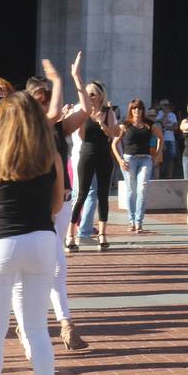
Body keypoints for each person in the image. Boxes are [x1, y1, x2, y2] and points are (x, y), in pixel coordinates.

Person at [0, 91, 64, 375]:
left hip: (0, 241)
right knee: (37, 329)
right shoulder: (51, 157)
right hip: (42, 240)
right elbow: (57, 207)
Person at [24, 59, 91, 354]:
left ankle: (65, 326)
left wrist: (76, 78)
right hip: (34, 208)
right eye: (42, 99)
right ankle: (37, 329)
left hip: (60, 205)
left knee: (56, 267)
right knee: (35, 272)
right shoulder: (26, 130)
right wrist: (58, 79)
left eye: (49, 98)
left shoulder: (58, 128)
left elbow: (87, 111)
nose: (49, 105)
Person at [68, 81, 118, 252]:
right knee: (81, 194)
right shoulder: (83, 112)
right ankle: (71, 234)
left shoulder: (107, 112)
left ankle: (103, 234)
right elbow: (81, 136)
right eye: (87, 94)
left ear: (100, 96)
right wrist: (84, 119)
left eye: (92, 94)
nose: (89, 97)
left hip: (104, 155)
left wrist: (101, 123)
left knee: (103, 194)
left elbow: (114, 134)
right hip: (87, 154)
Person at [113, 99, 162, 234]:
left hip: (145, 158)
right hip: (130, 159)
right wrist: (120, 159)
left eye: (139, 109)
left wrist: (156, 154)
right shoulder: (125, 125)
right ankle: (131, 221)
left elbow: (160, 138)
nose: (137, 111)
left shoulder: (149, 124)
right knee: (131, 191)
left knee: (143, 188)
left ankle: (139, 222)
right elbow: (114, 143)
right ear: (131, 110)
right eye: (134, 109)